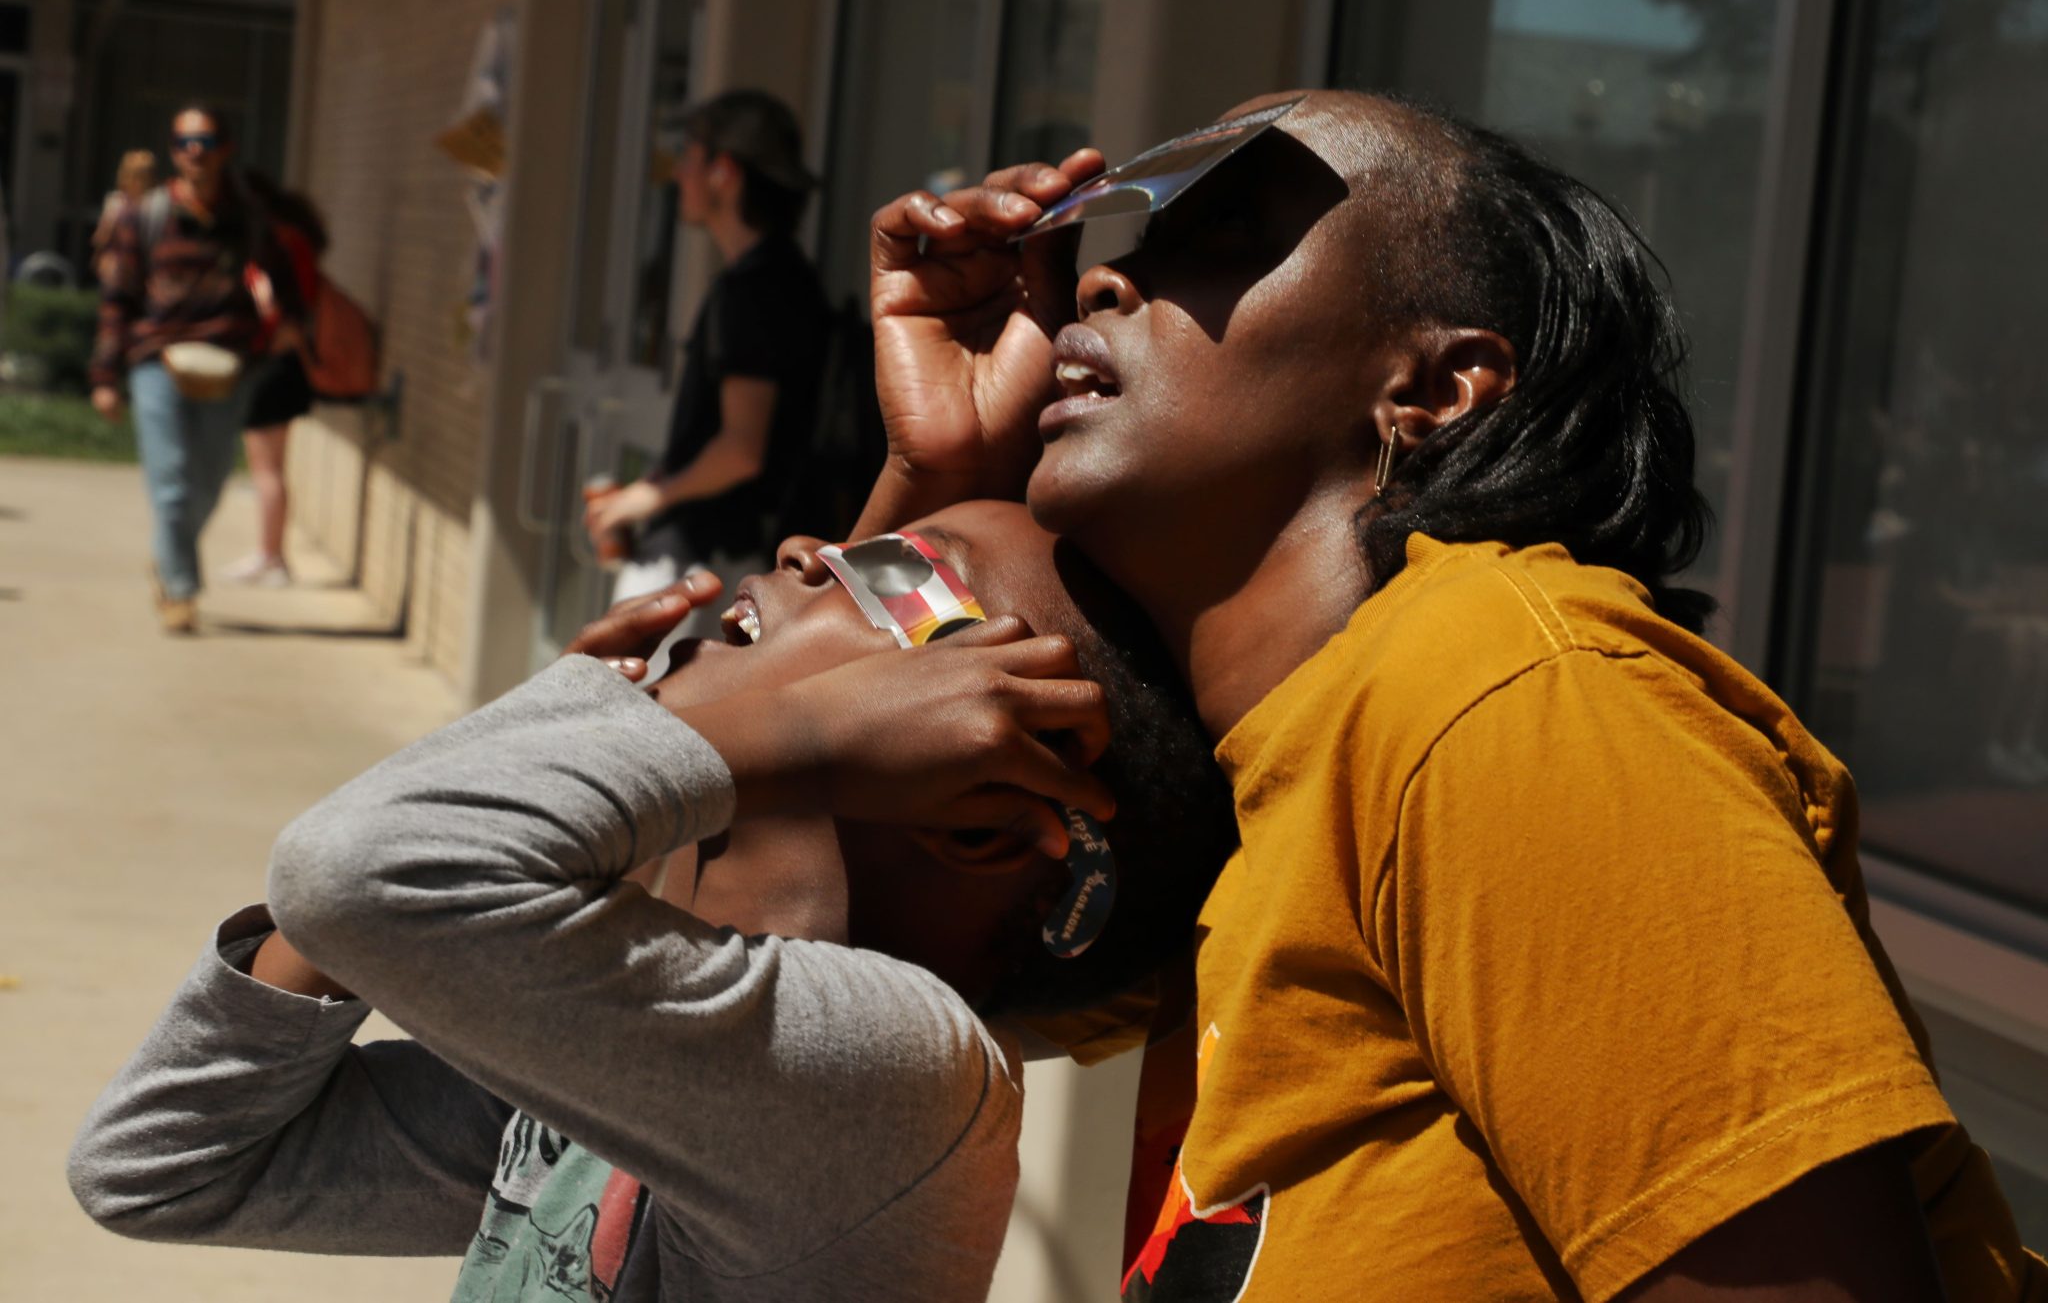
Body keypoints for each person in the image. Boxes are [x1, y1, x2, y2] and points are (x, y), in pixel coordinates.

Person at [855, 92, 2048, 1300]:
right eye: (1121, 248)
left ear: (1431, 390)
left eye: (1220, 238)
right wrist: (941, 469)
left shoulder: (1504, 693)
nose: (1103, 285)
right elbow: (829, 933)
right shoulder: (1271, 765)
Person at [69, 499, 1239, 1301]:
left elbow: (355, 873)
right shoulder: (632, 1045)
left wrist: (743, 731)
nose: (800, 548)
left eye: (892, 569)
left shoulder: (903, 1086)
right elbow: (163, 1164)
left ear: (978, 806)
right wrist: (582, 761)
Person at [584, 89, 832, 627]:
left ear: (724, 171)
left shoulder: (756, 290)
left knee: (628, 708)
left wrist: (644, 498)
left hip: (702, 561)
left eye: (689, 158)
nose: (678, 176)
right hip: (727, 557)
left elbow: (741, 450)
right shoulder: (782, 278)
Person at [90, 103, 303, 633]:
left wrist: (291, 324)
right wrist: (105, 376)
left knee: (208, 482)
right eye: (183, 142)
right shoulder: (146, 215)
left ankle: (168, 553)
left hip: (228, 366)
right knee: (172, 485)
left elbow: (286, 279)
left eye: (204, 142)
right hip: (156, 362)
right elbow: (118, 298)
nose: (193, 152)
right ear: (172, 151)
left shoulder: (248, 219)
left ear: (224, 149)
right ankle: (180, 590)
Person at [222, 170, 326, 588]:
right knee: (272, 467)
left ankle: (271, 557)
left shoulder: (270, 247)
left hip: (272, 363)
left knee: (265, 469)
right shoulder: (297, 240)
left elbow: (267, 306)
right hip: (289, 365)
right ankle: (272, 555)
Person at [91, 149, 157, 267]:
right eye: (137, 176)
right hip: (119, 261)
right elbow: (102, 236)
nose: (141, 181)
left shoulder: (155, 202)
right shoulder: (117, 201)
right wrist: (98, 256)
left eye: (146, 176)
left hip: (146, 262)